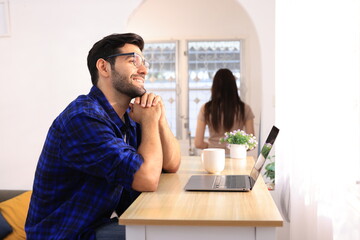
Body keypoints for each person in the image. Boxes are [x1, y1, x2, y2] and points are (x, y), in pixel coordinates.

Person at [25, 33, 181, 240]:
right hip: (65, 235)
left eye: (144, 63)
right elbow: (147, 178)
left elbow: (171, 164)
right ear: (104, 67)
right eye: (133, 60)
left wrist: (158, 116)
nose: (144, 70)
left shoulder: (129, 117)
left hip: (94, 227)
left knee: (173, 230)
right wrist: (151, 120)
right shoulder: (83, 119)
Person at [194, 68, 255, 153]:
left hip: (213, 157)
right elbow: (251, 143)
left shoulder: (206, 109)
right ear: (234, 86)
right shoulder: (244, 108)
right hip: (235, 157)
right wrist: (238, 148)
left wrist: (212, 146)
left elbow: (198, 143)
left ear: (214, 87)